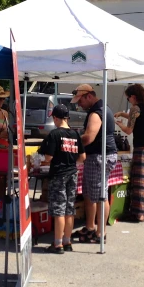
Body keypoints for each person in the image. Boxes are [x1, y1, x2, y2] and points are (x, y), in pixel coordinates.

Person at [71, 84, 117, 243]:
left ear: (88, 96)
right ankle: (91, 227)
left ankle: (100, 233)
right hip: (98, 155)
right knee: (90, 194)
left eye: (80, 100)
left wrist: (72, 140)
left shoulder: (97, 112)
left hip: (100, 156)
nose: (79, 105)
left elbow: (89, 137)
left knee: (100, 196)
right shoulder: (101, 108)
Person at [38, 105, 85, 254]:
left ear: (56, 118)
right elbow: (82, 157)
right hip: (72, 173)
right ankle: (67, 241)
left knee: (59, 210)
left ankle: (57, 244)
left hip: (58, 174)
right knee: (69, 208)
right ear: (67, 118)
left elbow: (49, 157)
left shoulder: (54, 134)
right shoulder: (75, 134)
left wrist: (45, 160)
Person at [115, 84, 144, 222]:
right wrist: (123, 114)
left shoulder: (135, 108)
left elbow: (129, 130)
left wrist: (119, 124)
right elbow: (135, 117)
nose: (129, 100)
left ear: (133, 96)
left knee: (139, 181)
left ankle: (138, 214)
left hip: (141, 149)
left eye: (128, 98)